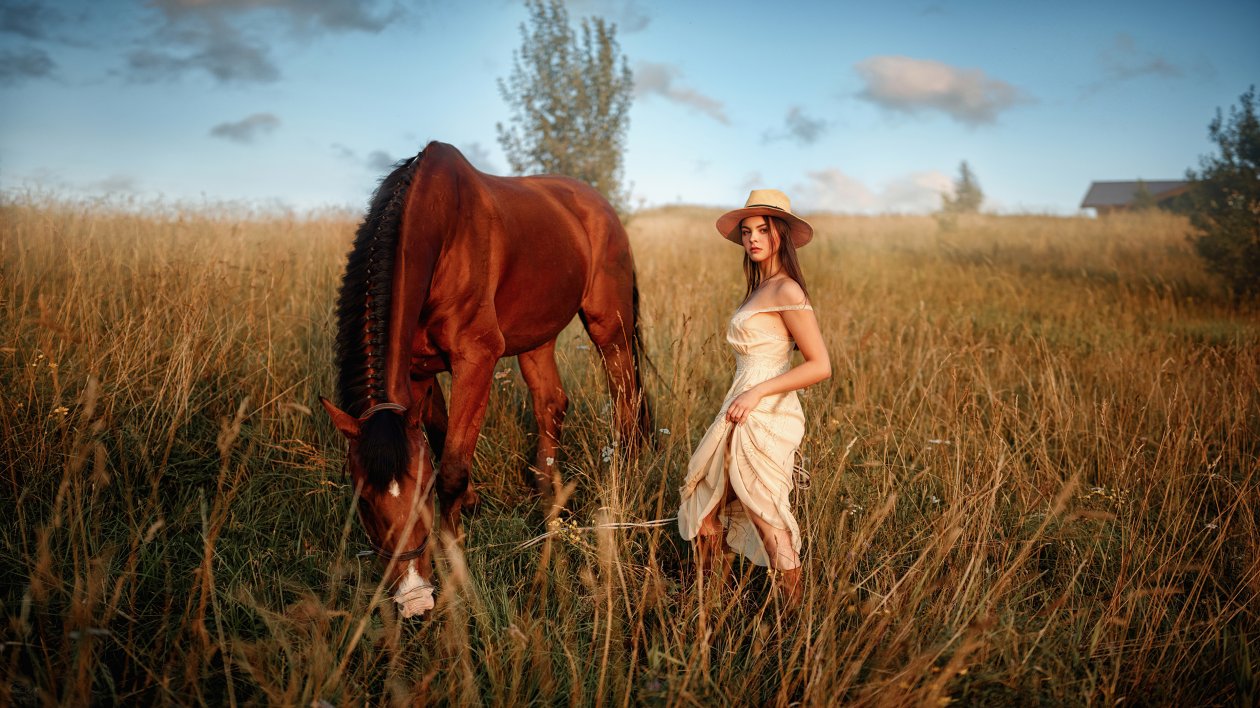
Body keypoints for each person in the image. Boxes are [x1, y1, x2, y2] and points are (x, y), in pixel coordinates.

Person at [677, 189, 831, 606]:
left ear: (781, 233)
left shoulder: (787, 291)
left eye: (763, 229)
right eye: (746, 232)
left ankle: (796, 615)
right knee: (705, 505)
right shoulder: (760, 289)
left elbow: (820, 365)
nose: (753, 238)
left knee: (764, 510)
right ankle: (710, 605)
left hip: (764, 408)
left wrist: (758, 392)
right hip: (741, 403)